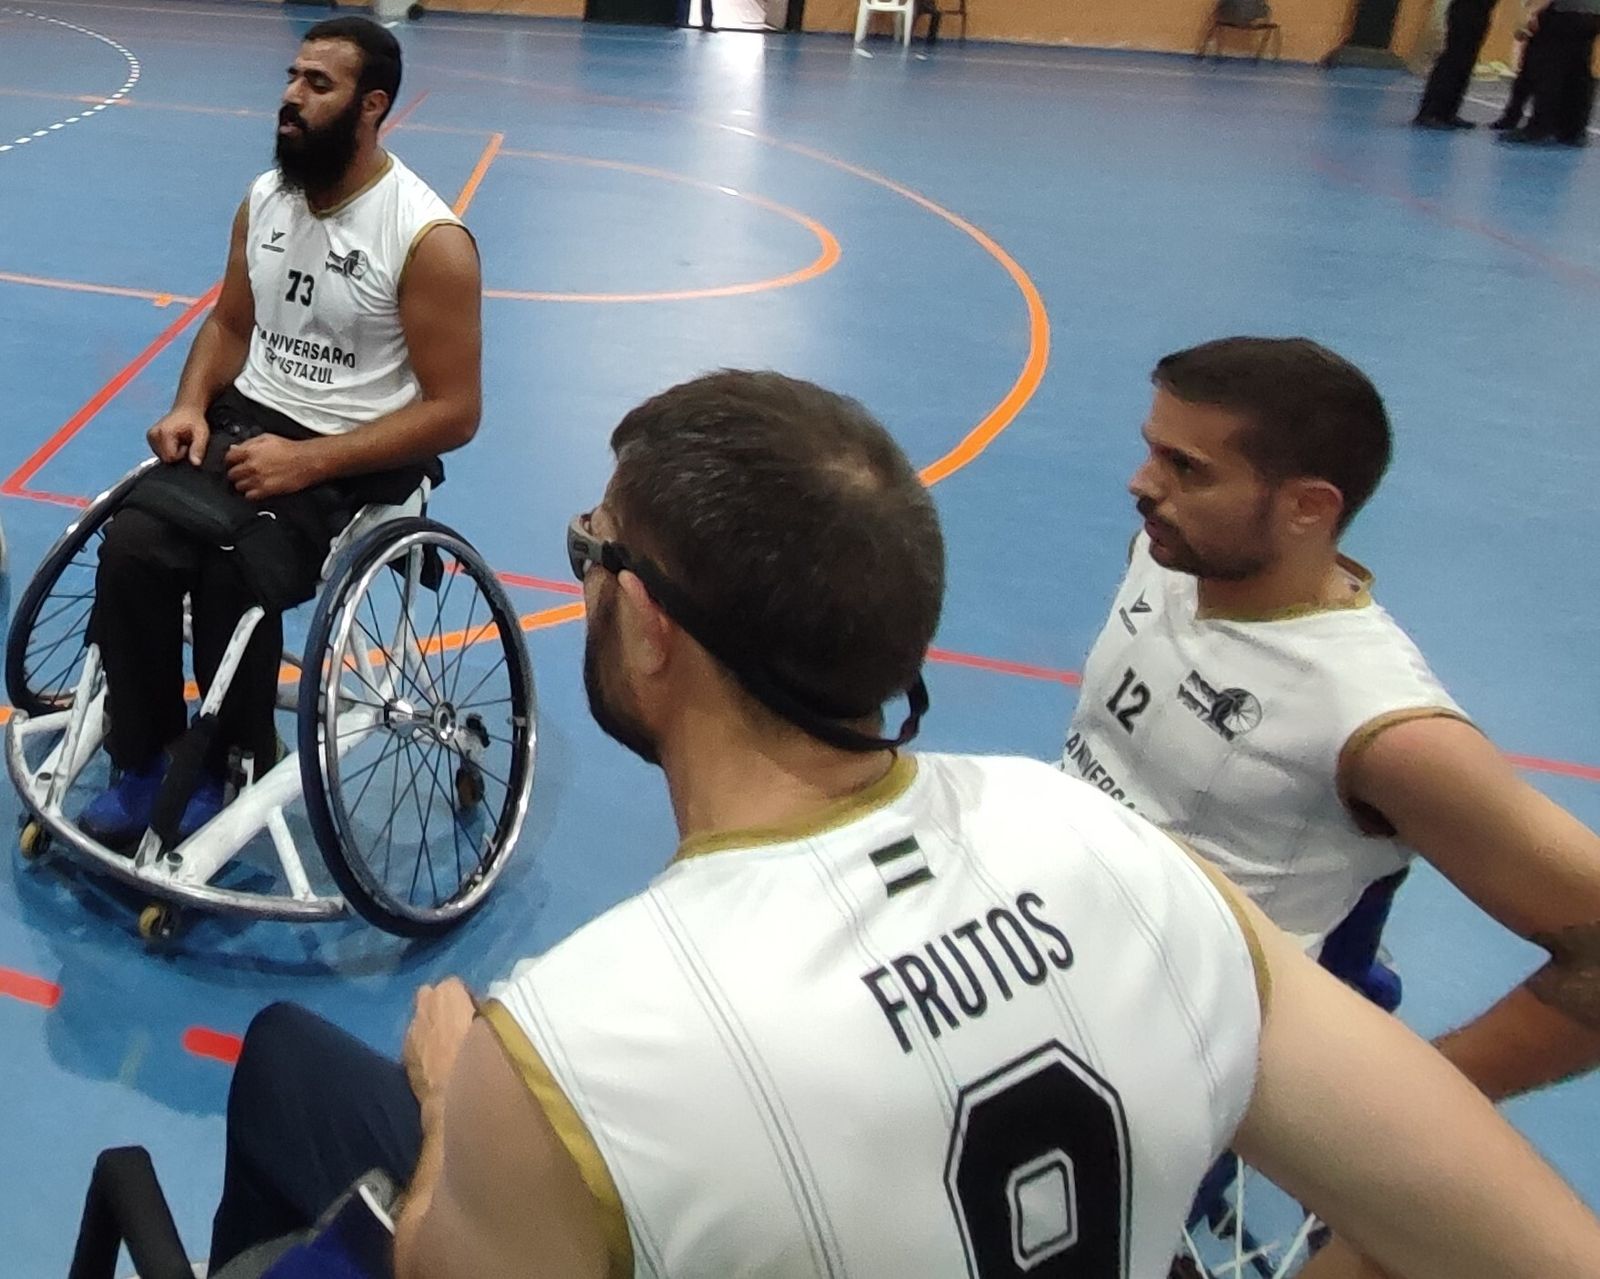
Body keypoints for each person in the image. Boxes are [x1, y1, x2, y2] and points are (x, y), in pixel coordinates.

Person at [204, 371, 1600, 1279]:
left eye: (595, 548)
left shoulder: (573, 1043)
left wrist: (454, 1101)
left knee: (286, 1067)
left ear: (644, 626)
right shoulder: (1128, 858)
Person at [1059, 336, 1600, 1104]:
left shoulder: (1381, 725)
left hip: (1180, 1054)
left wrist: (1408, 1105)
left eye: (1187, 469)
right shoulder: (1173, 556)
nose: (1142, 485)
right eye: (1152, 452)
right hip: (1063, 941)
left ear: (1309, 507)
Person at [80, 17, 482, 846]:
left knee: (236, 577)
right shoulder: (265, 199)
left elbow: (456, 412)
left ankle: (231, 763)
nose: (291, 99)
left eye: (318, 85)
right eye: (292, 78)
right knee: (133, 546)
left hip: (352, 459)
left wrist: (309, 462)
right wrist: (192, 403)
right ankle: (145, 756)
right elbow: (230, 325)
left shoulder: (427, 239)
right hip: (248, 423)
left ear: (373, 107)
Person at [1500, 0, 1600, 144]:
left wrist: (1532, 11)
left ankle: (1540, 127)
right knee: (1578, 69)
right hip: (1592, 12)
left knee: (1549, 69)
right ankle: (1574, 130)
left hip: (1562, 12)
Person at [1413, 0, 1502, 129]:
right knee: (1452, 61)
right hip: (1466, 9)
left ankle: (1448, 112)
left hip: (1482, 11)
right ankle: (1430, 112)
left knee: (1465, 63)